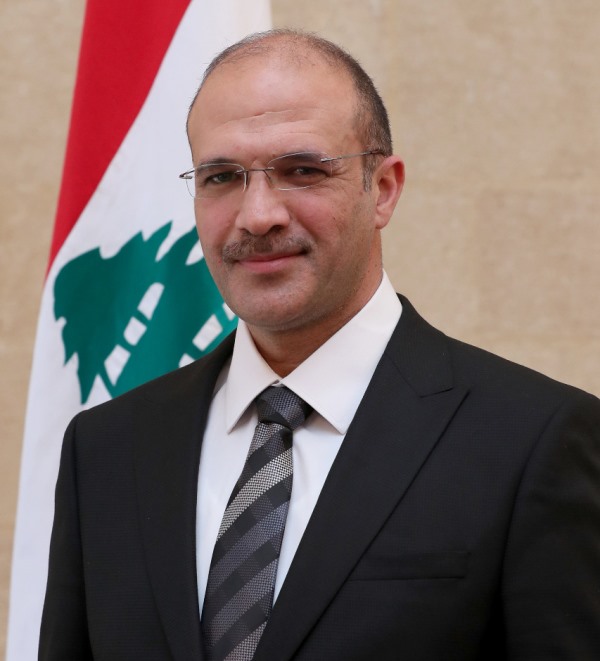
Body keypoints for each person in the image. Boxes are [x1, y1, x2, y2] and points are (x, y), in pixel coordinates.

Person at [40, 29, 600, 660]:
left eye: (302, 171)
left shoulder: (534, 441)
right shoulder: (105, 450)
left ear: (382, 189)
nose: (258, 215)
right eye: (222, 176)